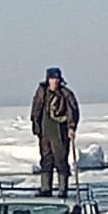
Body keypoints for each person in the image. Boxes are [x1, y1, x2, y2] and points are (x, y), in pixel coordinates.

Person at [30, 67, 80, 198]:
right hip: (45, 132)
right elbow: (35, 109)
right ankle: (46, 188)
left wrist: (71, 127)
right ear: (48, 79)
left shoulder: (66, 94)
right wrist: (35, 125)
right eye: (52, 78)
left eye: (57, 79)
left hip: (60, 133)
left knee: (61, 160)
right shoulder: (42, 93)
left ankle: (63, 190)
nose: (55, 81)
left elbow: (72, 112)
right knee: (46, 160)